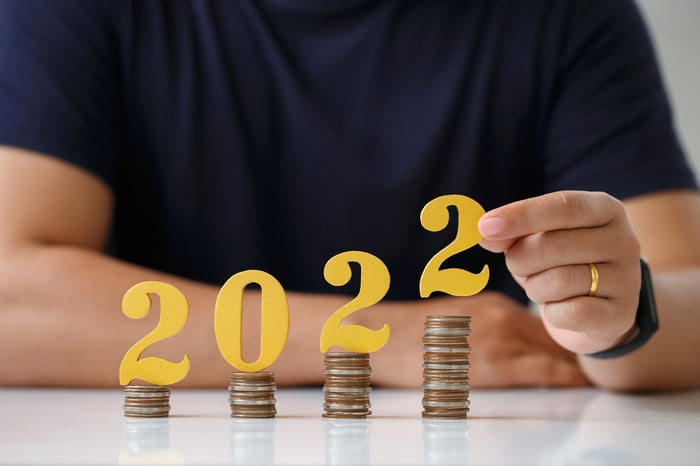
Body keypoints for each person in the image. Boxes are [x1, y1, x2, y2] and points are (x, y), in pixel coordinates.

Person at [0, 0, 698, 391]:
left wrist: (619, 312)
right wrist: (375, 340)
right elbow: (14, 295)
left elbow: (686, 296)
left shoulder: (572, 18)